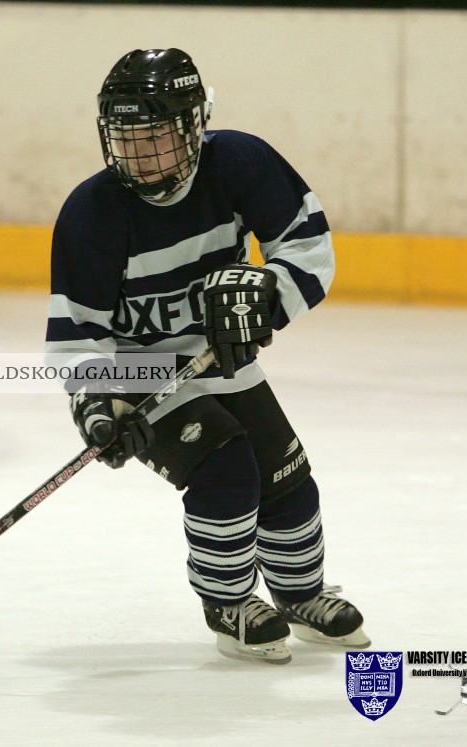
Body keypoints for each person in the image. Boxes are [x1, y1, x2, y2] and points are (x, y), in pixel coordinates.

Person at [46, 48, 369, 663]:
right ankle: (228, 603)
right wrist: (96, 402)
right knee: (226, 470)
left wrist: (266, 297)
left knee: (287, 478)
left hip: (222, 361)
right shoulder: (92, 212)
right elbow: (76, 334)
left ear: (194, 126)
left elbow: (309, 250)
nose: (139, 156)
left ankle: (300, 595)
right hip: (138, 374)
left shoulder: (241, 162)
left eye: (156, 137)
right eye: (125, 139)